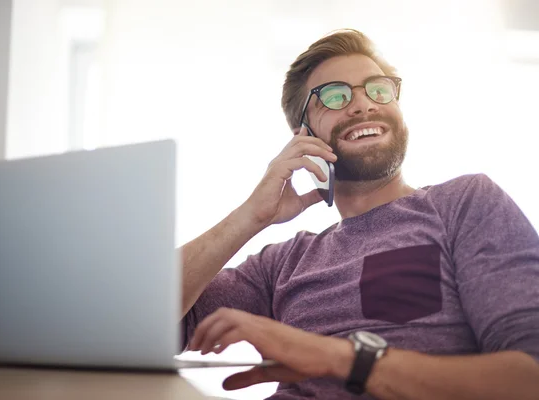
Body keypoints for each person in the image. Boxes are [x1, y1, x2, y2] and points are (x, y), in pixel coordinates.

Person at [180, 29, 539, 399]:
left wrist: (336, 357)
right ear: (303, 134)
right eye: (334, 96)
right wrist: (251, 216)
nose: (364, 105)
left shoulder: (464, 204)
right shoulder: (282, 264)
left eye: (378, 89)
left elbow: (529, 378)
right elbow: (143, 320)